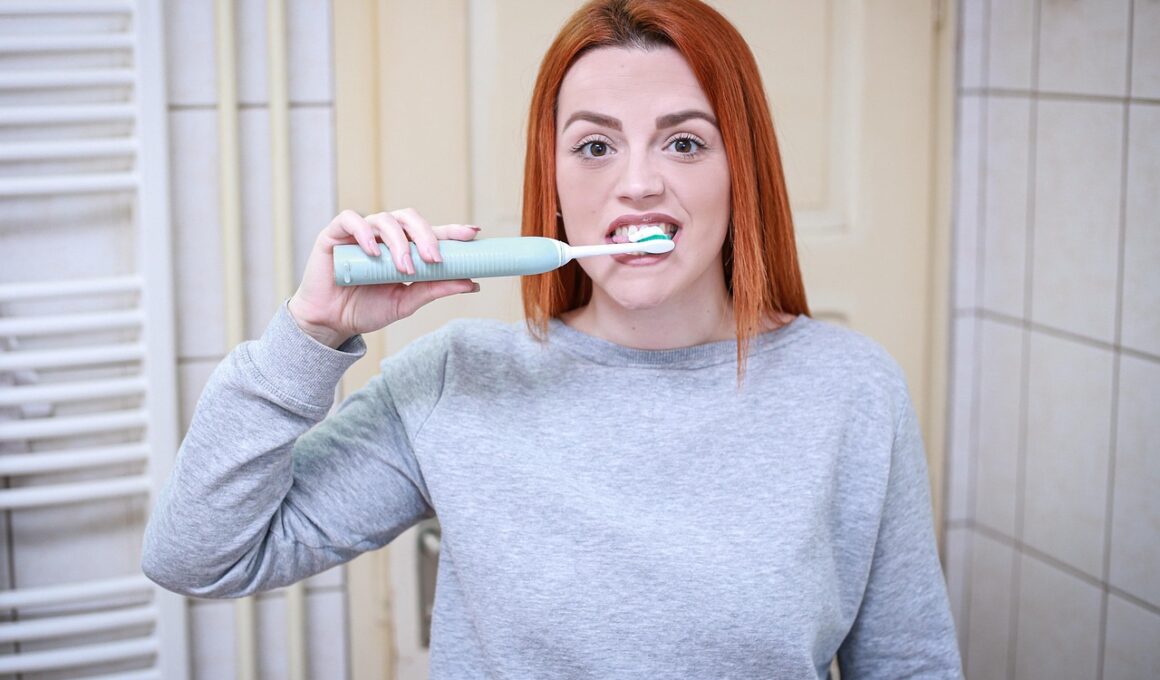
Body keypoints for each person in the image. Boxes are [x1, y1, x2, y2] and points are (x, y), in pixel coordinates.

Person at [143, 0, 963, 677]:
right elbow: (197, 556)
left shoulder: (851, 390)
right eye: (595, 146)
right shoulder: (459, 379)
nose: (638, 183)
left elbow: (910, 663)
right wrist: (309, 332)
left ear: (740, 170)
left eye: (683, 141)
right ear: (556, 181)